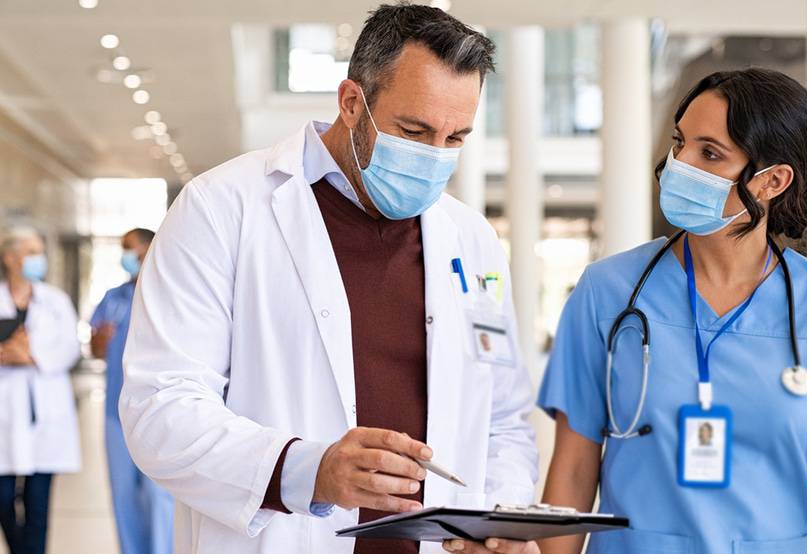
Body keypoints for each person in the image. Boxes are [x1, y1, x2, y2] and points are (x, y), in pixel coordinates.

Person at [119, 4, 538, 554]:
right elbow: (160, 408)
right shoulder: (222, 208)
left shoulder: (472, 238)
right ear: (351, 102)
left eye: (455, 138)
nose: (434, 157)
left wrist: (499, 517)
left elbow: (503, 417)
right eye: (413, 130)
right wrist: (308, 470)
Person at [538, 69, 807, 553]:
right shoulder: (607, 294)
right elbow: (573, 471)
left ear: (772, 180)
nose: (679, 163)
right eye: (680, 142)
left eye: (710, 153)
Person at [91, 228, 174, 554]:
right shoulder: (113, 297)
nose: (128, 257)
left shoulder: (168, 295)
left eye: (133, 250)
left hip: (159, 409)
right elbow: (95, 346)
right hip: (116, 411)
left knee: (159, 494)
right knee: (123, 493)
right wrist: (98, 342)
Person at [0, 227, 81, 554]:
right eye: (30, 251)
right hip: (5, 414)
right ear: (9, 257)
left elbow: (70, 348)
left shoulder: (56, 301)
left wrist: (29, 356)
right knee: (3, 498)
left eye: (39, 250)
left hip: (46, 415)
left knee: (38, 503)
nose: (38, 258)